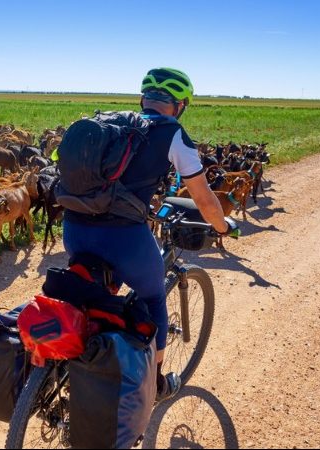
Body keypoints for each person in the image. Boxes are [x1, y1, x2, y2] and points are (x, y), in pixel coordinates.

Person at [62, 67, 236, 402]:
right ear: (180, 105)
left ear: (143, 98)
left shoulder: (109, 121)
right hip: (124, 239)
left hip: (75, 228)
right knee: (153, 297)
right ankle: (155, 385)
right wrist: (222, 226)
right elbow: (203, 197)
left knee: (90, 290)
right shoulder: (172, 133)